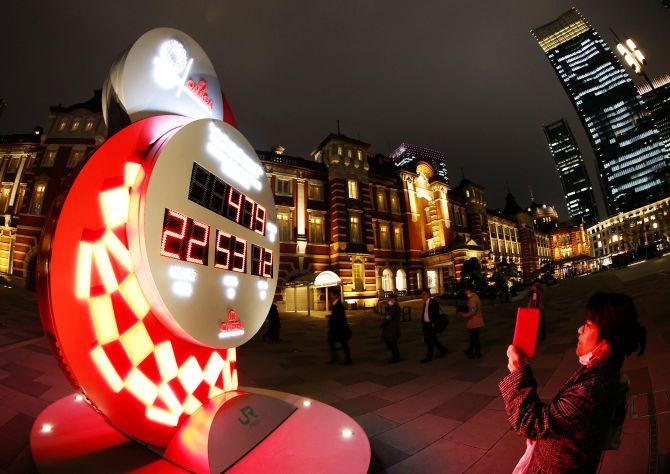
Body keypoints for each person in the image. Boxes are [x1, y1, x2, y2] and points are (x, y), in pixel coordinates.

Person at [500, 292, 646, 473]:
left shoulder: (591, 391)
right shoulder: (601, 371)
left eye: (587, 325)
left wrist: (518, 373)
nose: (579, 329)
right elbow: (563, 419)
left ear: (607, 342)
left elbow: (530, 423)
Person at [420, 288, 447, 363]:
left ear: (428, 295)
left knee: (430, 341)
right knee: (433, 340)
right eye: (422, 294)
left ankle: (429, 357)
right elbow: (425, 313)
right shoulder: (425, 303)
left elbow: (435, 313)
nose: (422, 296)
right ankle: (443, 350)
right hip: (426, 325)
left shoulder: (433, 302)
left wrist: (433, 322)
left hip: (431, 325)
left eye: (424, 294)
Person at [327, 287, 352, 365]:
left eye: (331, 294)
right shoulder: (335, 304)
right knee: (334, 342)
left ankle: (347, 359)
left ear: (335, 296)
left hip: (340, 328)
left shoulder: (338, 305)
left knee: (343, 344)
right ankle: (337, 358)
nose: (330, 296)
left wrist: (332, 317)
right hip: (337, 328)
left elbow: (340, 317)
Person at [458, 285, 484, 359]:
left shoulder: (472, 299)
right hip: (476, 320)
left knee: (474, 337)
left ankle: (477, 353)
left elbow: (472, 311)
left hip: (474, 320)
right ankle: (471, 350)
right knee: (473, 337)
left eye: (466, 290)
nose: (465, 292)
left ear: (469, 290)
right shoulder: (475, 296)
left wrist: (464, 315)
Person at [381, 293, 401, 363]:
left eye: (389, 299)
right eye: (388, 299)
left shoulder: (395, 307)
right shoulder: (392, 306)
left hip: (392, 328)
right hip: (390, 328)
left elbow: (389, 316)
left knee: (392, 343)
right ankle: (396, 356)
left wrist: (383, 323)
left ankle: (396, 357)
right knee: (392, 343)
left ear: (393, 299)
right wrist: (388, 306)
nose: (388, 300)